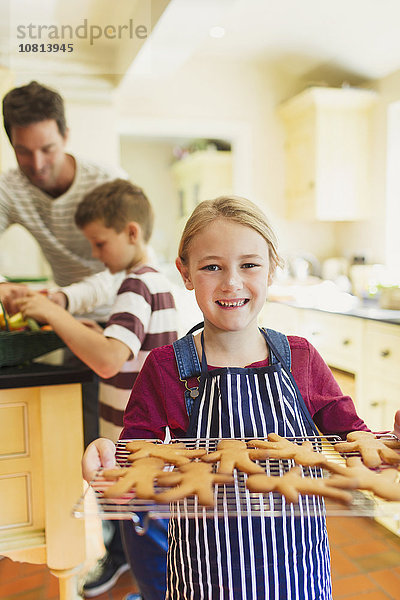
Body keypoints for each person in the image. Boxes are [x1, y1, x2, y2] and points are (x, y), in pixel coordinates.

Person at [82, 195, 399, 600]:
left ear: (272, 270)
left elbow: (354, 440)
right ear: (186, 273)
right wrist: (107, 453)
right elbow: (135, 453)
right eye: (212, 266)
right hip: (204, 570)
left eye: (249, 264)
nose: (231, 282)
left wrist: (389, 444)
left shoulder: (300, 358)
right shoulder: (166, 368)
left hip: (297, 569)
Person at [18, 179, 178, 599]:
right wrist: (90, 328)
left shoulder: (135, 284)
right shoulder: (155, 281)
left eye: (100, 243)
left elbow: (108, 359)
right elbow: (127, 347)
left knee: (147, 542)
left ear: (131, 233)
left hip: (135, 446)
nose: (94, 254)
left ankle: (154, 593)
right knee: (148, 531)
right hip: (151, 444)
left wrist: (54, 313)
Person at [0, 80, 127, 446]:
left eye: (47, 149)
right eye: (23, 151)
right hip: (69, 322)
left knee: (125, 431)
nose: (37, 164)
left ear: (66, 135)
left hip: (122, 317)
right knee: (77, 430)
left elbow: (124, 272)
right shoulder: (11, 189)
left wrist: (63, 300)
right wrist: (5, 286)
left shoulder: (108, 183)